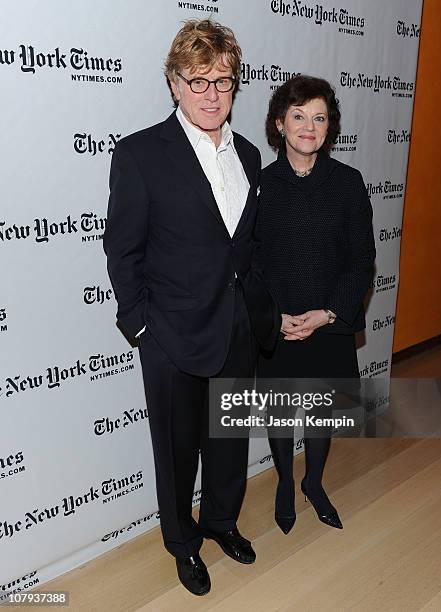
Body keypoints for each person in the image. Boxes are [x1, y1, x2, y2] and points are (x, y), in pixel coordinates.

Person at [103, 19, 280, 596]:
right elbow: (123, 249)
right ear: (174, 83)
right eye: (198, 80)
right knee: (177, 454)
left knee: (228, 440)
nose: (211, 94)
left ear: (235, 85)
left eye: (223, 81)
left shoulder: (250, 155)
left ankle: (222, 522)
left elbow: (245, 249)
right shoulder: (140, 154)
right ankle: (183, 544)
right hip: (171, 336)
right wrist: (143, 327)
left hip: (235, 331)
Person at [256, 75, 376, 534]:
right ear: (280, 124)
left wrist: (328, 315)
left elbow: (362, 259)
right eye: (299, 116)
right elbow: (252, 264)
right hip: (280, 324)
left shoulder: (348, 183)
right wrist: (275, 318)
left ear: (330, 126)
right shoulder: (261, 185)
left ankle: (314, 482)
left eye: (319, 117)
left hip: (329, 323)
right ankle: (286, 481)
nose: (309, 126)